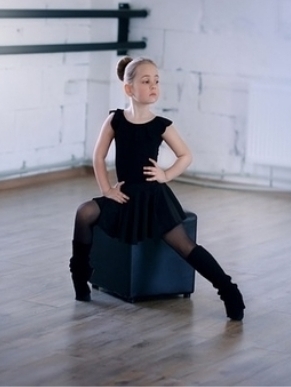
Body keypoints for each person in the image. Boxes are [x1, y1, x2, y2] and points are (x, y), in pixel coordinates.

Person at [69, 56, 245, 321]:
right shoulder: (115, 120)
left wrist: (166, 174)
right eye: (146, 81)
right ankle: (80, 278)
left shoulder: (161, 125)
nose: (153, 86)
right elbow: (98, 156)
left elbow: (185, 156)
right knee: (84, 213)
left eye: (157, 81)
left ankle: (229, 291)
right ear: (129, 89)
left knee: (185, 245)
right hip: (124, 195)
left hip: (153, 198)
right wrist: (106, 189)